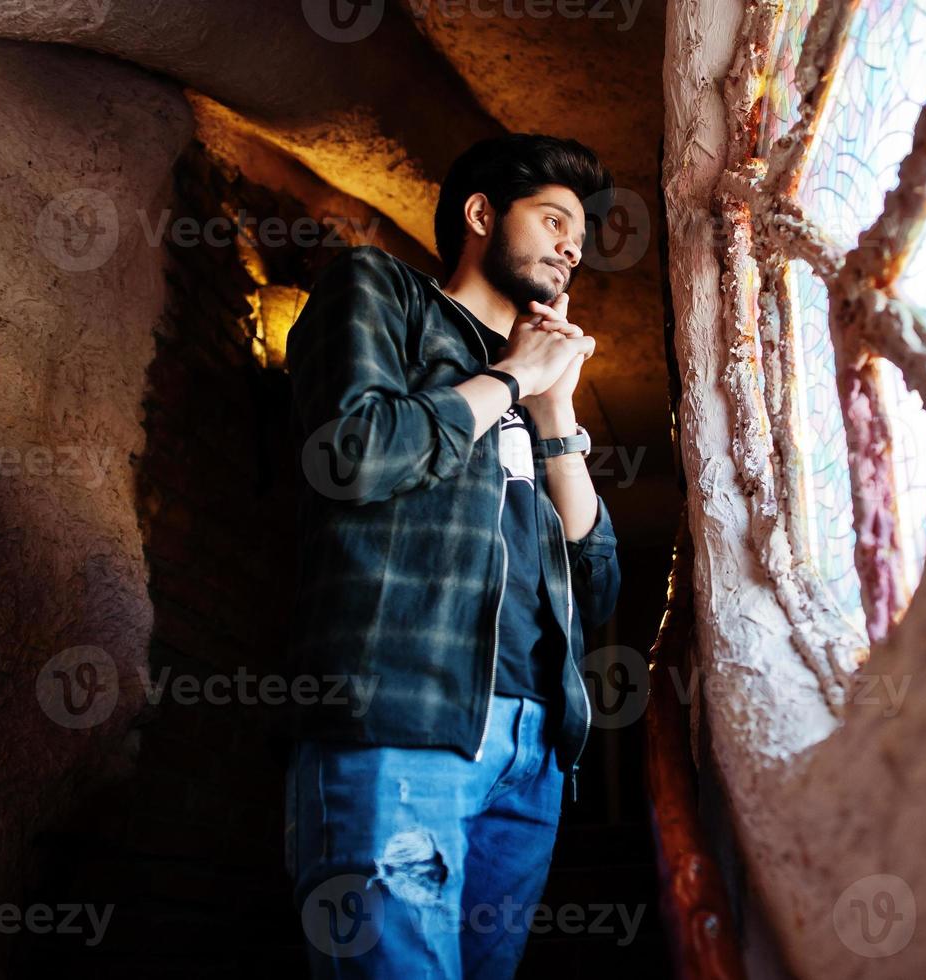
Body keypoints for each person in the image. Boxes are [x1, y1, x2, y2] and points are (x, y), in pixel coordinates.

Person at [281, 133, 622, 978]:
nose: (571, 246)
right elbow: (354, 452)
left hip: (533, 748)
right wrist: (508, 379)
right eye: (552, 219)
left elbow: (598, 581)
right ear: (480, 215)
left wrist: (554, 415)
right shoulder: (382, 292)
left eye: (577, 236)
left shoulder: (541, 384)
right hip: (401, 718)